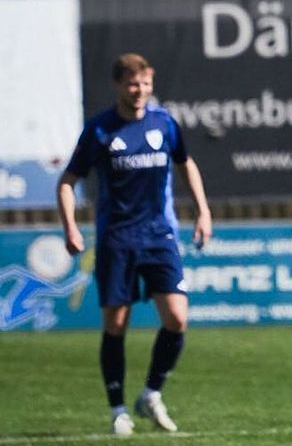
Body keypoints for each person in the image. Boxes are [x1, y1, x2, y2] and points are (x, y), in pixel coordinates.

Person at [56, 53, 212, 436]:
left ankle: (151, 394)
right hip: (117, 238)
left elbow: (186, 163)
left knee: (177, 318)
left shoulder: (164, 123)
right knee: (116, 324)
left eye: (144, 83)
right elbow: (67, 181)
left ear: (151, 82)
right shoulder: (99, 130)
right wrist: (71, 228)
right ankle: (118, 410)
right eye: (131, 84)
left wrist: (203, 211)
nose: (139, 90)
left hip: (160, 235)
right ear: (118, 85)